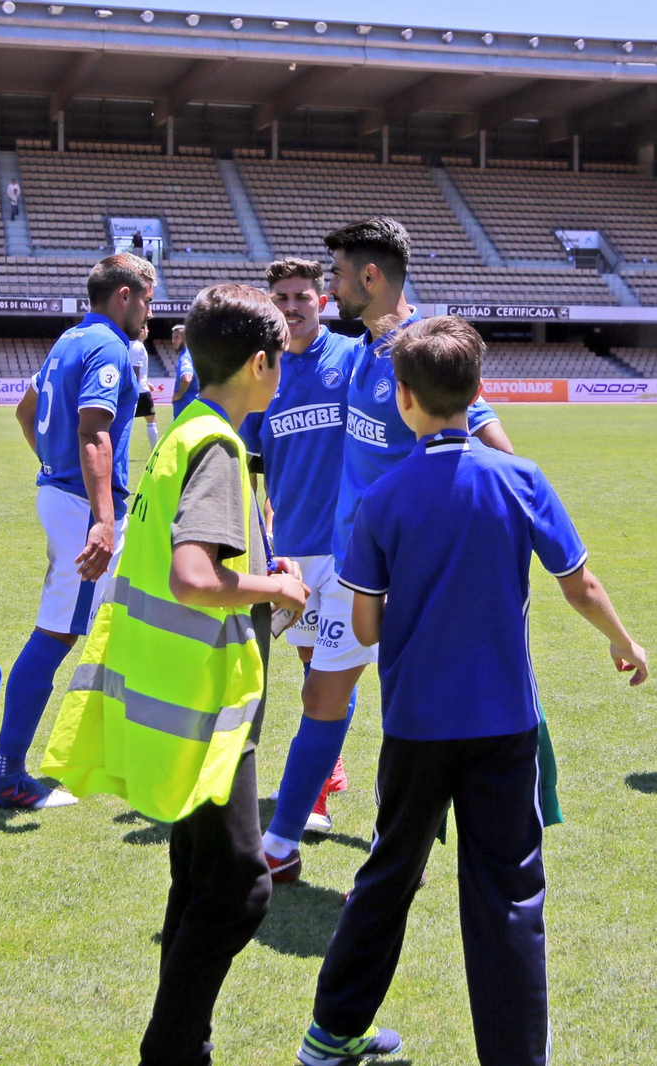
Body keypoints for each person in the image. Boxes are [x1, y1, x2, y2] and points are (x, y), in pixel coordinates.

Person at [296, 316, 648, 1066]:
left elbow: (365, 618)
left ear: (403, 400)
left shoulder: (383, 498)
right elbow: (579, 584)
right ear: (479, 392)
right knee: (511, 894)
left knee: (390, 870)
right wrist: (624, 642)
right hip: (502, 724)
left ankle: (330, 1034)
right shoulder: (520, 479)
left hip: (418, 721)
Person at [41, 283, 305, 1066]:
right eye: (280, 359)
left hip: (177, 698)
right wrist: (279, 588)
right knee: (240, 890)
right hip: (207, 707)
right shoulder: (218, 445)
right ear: (261, 365)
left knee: (195, 882)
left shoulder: (184, 431)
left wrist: (258, 572)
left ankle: (185, 1047)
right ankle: (170, 1051)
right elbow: (193, 575)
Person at [260, 217, 514, 883]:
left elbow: (493, 446)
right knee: (325, 695)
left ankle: (387, 845)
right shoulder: (366, 348)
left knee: (409, 711)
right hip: (353, 567)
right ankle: (282, 842)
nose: (328, 289)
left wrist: (518, 517)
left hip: (408, 575)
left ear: (370, 278)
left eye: (337, 276)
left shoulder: (423, 349)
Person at [0, 253, 155, 809]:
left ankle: (125, 749)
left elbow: (24, 409)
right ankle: (8, 774)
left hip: (66, 494)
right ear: (124, 296)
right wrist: (102, 519)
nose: (149, 314)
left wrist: (53, 471)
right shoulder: (109, 346)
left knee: (127, 615)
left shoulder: (69, 340)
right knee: (57, 631)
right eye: (147, 300)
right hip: (85, 506)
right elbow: (93, 435)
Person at [238, 257, 359, 843]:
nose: (291, 307)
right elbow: (250, 466)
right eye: (281, 298)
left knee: (327, 684)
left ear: (322, 300)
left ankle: (310, 798)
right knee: (315, 670)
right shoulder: (265, 373)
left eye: (301, 297)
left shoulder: (352, 360)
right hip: (291, 550)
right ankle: (328, 767)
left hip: (347, 551)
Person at [128, 323, 159, 449]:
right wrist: (137, 387)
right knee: (151, 420)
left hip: (135, 388)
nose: (147, 331)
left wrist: (147, 382)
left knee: (126, 422)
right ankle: (154, 451)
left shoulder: (130, 344)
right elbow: (135, 370)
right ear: (140, 330)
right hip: (139, 391)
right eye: (146, 328)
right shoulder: (138, 346)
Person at [171, 324, 198, 417]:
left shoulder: (185, 357)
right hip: (190, 407)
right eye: (173, 337)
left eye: (177, 337)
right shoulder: (191, 353)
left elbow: (187, 378)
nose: (173, 341)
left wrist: (178, 394)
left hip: (185, 408)